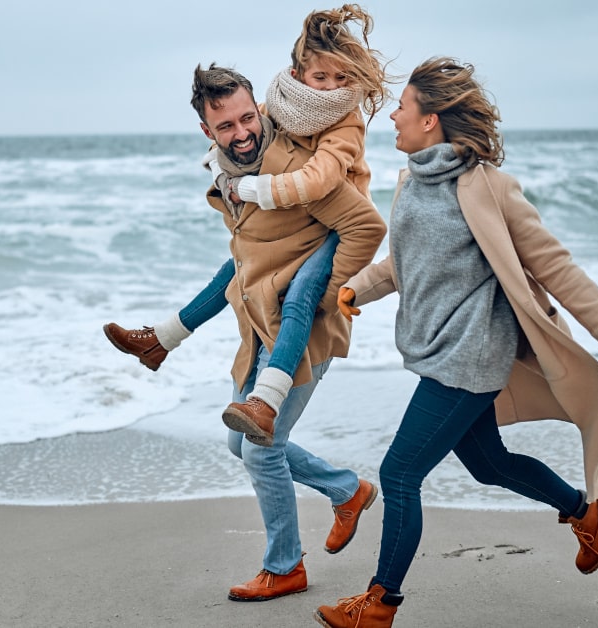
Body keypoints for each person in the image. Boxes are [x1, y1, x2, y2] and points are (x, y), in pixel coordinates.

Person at [314, 57, 598, 627]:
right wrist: (360, 286)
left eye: (403, 106)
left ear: (432, 119)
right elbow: (408, 261)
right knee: (489, 464)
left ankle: (379, 604)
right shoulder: (412, 179)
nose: (393, 115)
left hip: (470, 357)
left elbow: (554, 265)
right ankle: (587, 514)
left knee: (399, 476)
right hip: (434, 351)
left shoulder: (489, 188)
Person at [112, 63, 388, 603]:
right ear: (207, 132)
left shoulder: (295, 169)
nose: (242, 134)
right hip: (260, 326)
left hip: (300, 330)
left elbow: (367, 226)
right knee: (240, 442)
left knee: (262, 448)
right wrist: (174, 329)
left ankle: (284, 566)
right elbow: (242, 262)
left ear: (259, 109)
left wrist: (324, 297)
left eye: (247, 119)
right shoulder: (228, 176)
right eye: (226, 126)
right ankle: (345, 489)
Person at [104, 4, 390, 447]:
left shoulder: (344, 119)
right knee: (236, 265)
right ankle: (162, 338)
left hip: (334, 226)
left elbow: (323, 180)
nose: (332, 88)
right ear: (298, 76)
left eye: (341, 78)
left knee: (300, 296)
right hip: (297, 214)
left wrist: (250, 188)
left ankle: (267, 400)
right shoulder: (281, 107)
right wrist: (223, 173)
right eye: (321, 78)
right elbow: (248, 135)